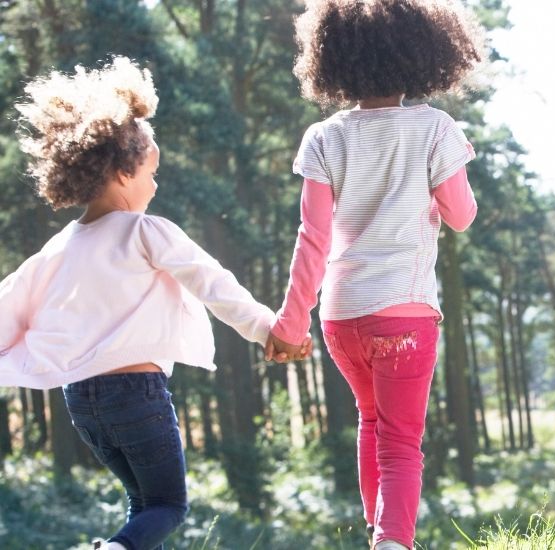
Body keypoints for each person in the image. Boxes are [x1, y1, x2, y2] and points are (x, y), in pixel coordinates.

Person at [0, 57, 294, 550]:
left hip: (82, 403)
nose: (156, 185)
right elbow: (213, 282)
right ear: (120, 172)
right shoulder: (145, 231)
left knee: (142, 505)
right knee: (167, 506)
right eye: (150, 172)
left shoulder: (57, 248)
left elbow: (8, 306)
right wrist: (268, 329)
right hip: (137, 393)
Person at [268, 0, 481, 547]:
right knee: (402, 441)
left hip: (343, 318)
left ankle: (377, 532)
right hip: (404, 314)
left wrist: (292, 325)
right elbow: (461, 217)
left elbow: (312, 239)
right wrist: (435, 192)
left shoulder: (325, 137)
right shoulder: (435, 128)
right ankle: (392, 542)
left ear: (334, 57)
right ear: (423, 52)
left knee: (372, 421)